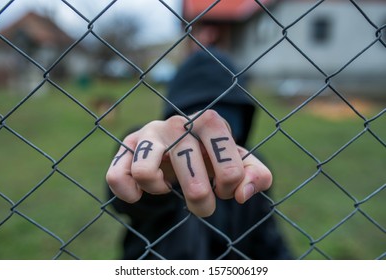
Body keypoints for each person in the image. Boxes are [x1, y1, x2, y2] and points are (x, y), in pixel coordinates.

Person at [106, 15, 291, 260]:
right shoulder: (154, 157)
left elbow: (270, 245)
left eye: (227, 120)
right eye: (192, 120)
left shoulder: (253, 166)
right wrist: (159, 175)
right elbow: (127, 199)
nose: (213, 126)